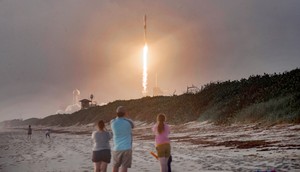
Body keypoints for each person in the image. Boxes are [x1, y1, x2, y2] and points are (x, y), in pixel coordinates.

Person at [111, 106, 134, 172]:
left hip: (117, 148)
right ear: (125, 113)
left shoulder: (113, 122)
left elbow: (114, 119)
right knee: (124, 166)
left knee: (115, 166)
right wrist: (126, 117)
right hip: (127, 147)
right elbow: (133, 125)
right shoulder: (128, 122)